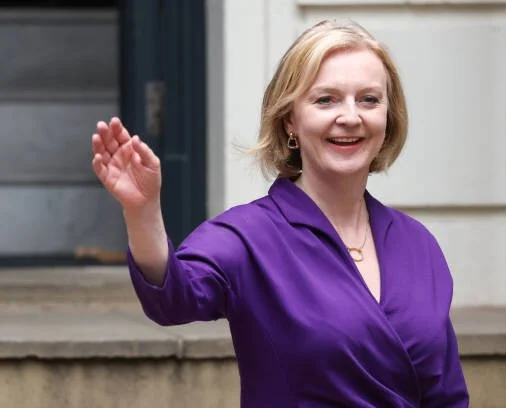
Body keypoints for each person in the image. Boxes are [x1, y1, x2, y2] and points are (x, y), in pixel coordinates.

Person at [91, 19, 469, 408]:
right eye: (326, 100)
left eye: (369, 100)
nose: (351, 116)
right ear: (290, 120)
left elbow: (448, 394)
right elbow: (172, 298)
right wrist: (143, 212)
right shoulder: (248, 236)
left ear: (388, 119)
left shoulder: (418, 243)